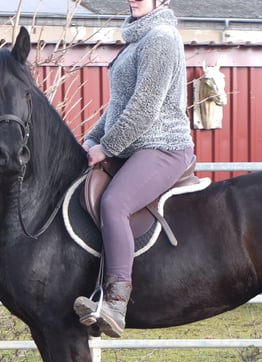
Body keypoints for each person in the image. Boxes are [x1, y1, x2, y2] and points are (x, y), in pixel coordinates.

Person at [73, 0, 195, 337]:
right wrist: (90, 141)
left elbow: (144, 108)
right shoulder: (137, 40)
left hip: (163, 146)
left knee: (115, 204)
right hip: (134, 146)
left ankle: (115, 301)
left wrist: (107, 147)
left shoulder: (160, 37)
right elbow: (118, 107)